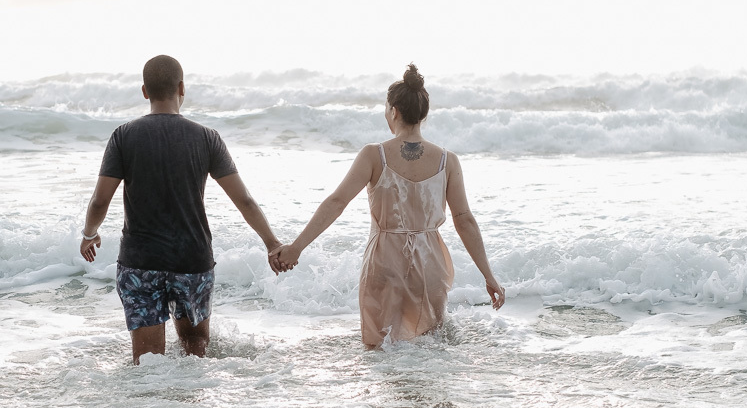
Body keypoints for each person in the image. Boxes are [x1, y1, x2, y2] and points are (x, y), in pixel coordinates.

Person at [270, 64, 505, 348]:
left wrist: (297, 246)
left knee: (377, 349)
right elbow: (464, 219)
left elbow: (337, 202)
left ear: (393, 110)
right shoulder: (447, 161)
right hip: (431, 264)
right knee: (431, 347)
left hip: (384, 263)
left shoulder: (374, 155)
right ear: (424, 114)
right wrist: (489, 276)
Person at [80, 55, 283, 363]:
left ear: (145, 91)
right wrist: (272, 243)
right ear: (182, 88)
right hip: (192, 261)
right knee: (196, 348)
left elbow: (99, 201)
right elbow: (245, 201)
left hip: (140, 263)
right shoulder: (207, 137)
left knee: (148, 361)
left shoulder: (123, 136)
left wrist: (89, 233)